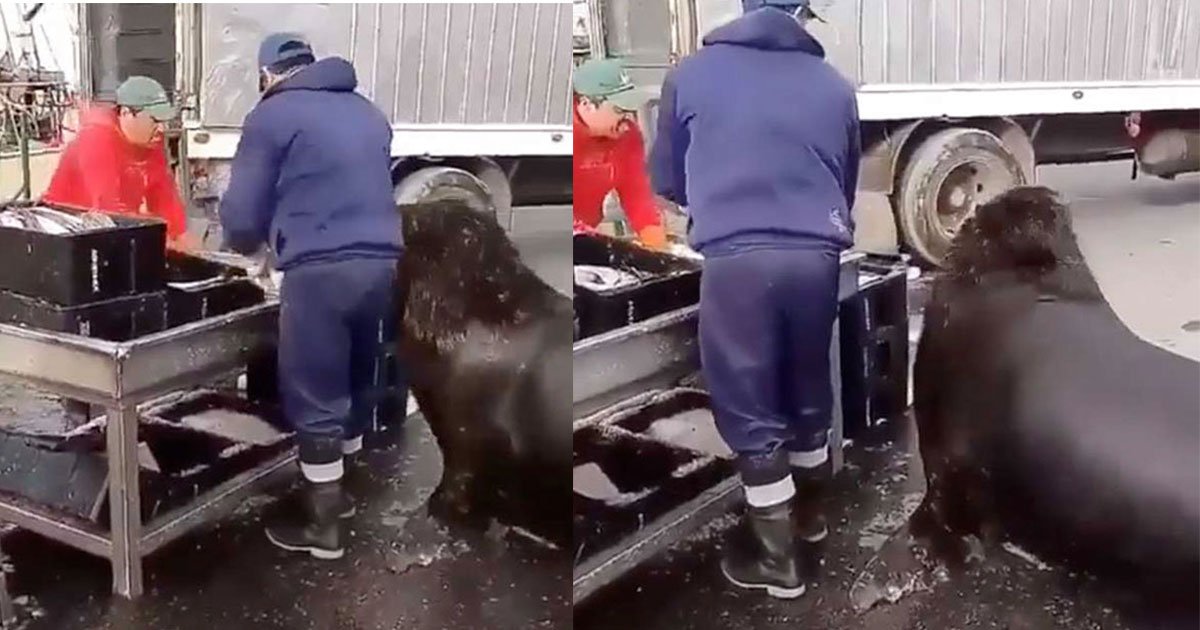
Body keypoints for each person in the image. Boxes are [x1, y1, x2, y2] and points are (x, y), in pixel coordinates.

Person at [648, 0, 861, 599]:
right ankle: (811, 520)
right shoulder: (834, 86)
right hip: (816, 255)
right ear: (799, 14)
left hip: (738, 259)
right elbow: (843, 182)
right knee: (805, 385)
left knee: (750, 402)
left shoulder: (691, 74)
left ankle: (778, 561)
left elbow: (666, 178)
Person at [218, 33, 403, 560]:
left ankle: (323, 528)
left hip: (320, 268)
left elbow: (243, 211)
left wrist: (248, 249)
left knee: (315, 383)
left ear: (267, 74)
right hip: (382, 263)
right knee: (355, 372)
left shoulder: (272, 115)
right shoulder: (368, 112)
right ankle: (343, 496)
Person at [42, 76, 194, 249]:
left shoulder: (151, 141)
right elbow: (107, 208)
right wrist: (162, 244)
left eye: (164, 121)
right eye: (155, 120)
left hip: (114, 230)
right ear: (126, 113)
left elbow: (165, 198)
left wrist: (182, 238)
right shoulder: (96, 139)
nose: (162, 128)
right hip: (67, 233)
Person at [573, 58, 669, 250]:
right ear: (587, 104)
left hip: (587, 230)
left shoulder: (628, 135)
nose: (628, 117)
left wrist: (656, 242)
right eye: (619, 109)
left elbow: (636, 192)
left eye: (630, 109)